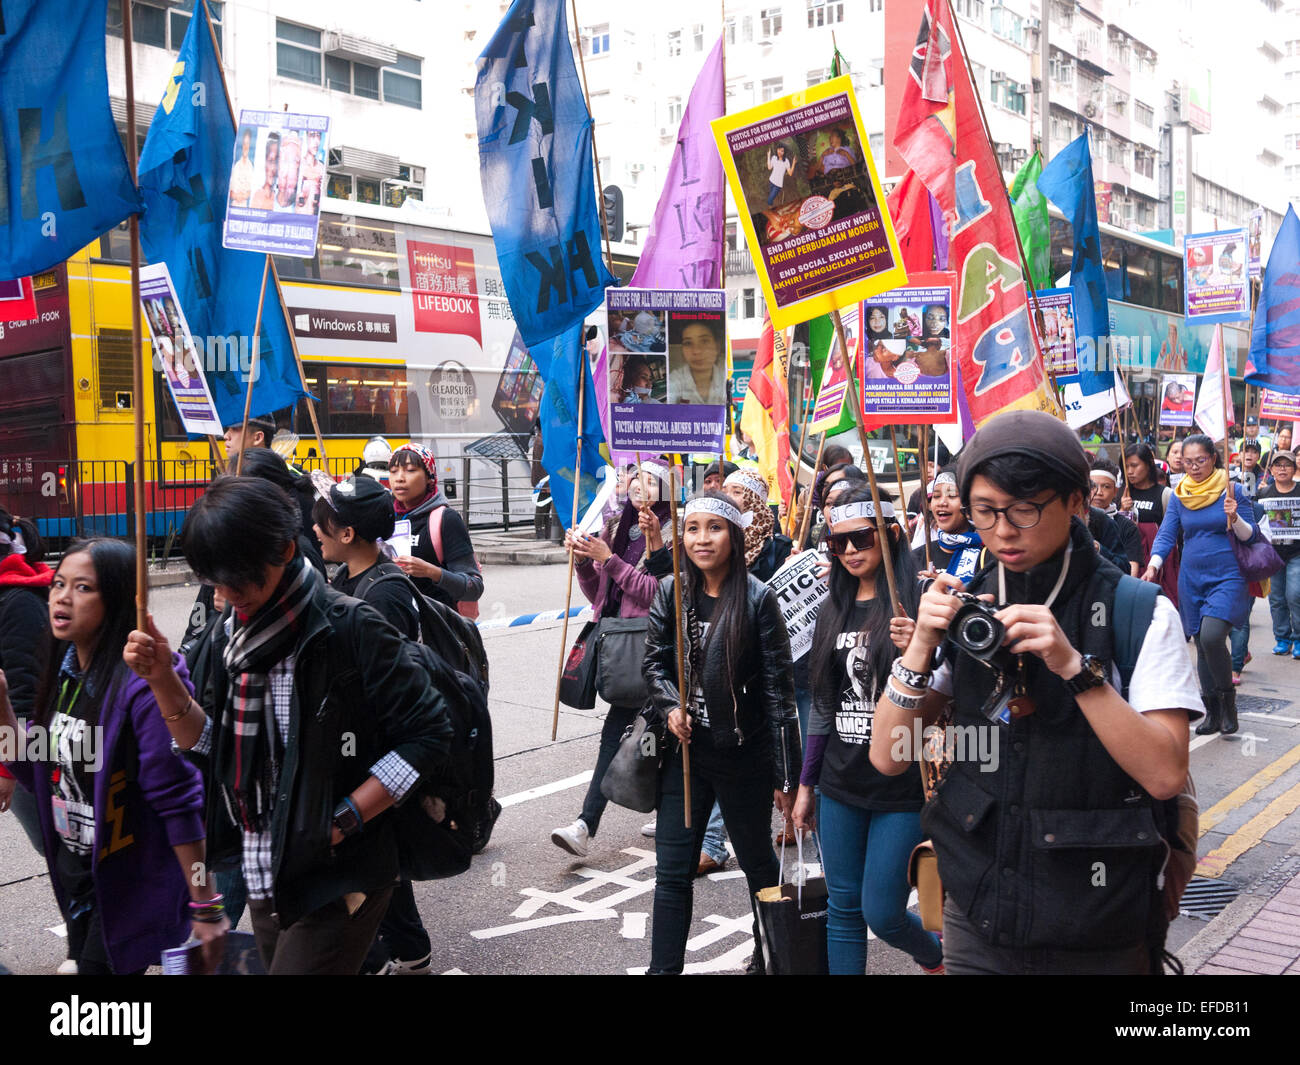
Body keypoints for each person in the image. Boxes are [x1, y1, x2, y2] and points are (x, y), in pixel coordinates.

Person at [871, 410, 1201, 975]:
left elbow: (1165, 773)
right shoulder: (971, 608)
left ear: (1077, 501)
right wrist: (922, 646)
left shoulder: (1139, 612)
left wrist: (1074, 667)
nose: (1002, 530)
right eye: (985, 511)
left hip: (1100, 920)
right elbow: (887, 754)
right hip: (979, 911)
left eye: (1025, 509)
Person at [123, 476, 453, 974]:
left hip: (342, 872)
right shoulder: (226, 639)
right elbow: (210, 747)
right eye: (215, 579)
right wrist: (163, 679)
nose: (229, 593)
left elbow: (429, 732)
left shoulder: (350, 627)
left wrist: (342, 821)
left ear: (281, 549)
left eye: (240, 576)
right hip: (264, 869)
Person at [2, 539, 224, 975]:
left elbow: (180, 803)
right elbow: (31, 766)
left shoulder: (141, 688)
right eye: (59, 583)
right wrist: (3, 706)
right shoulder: (65, 675)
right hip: (81, 886)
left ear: (121, 598)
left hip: (129, 888)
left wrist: (206, 903)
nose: (62, 597)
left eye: (83, 587)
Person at [643, 491, 802, 974]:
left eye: (714, 528)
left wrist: (785, 777)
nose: (701, 539)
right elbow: (653, 664)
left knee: (758, 870)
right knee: (672, 874)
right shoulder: (671, 591)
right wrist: (671, 705)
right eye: (692, 528)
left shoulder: (758, 598)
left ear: (733, 536)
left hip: (743, 756)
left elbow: (779, 692)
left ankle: (766, 958)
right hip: (685, 756)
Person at [793, 486, 944, 975]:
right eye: (839, 544)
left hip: (902, 786)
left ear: (891, 535)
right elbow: (822, 706)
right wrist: (806, 786)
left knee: (883, 913)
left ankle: (936, 955)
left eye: (862, 538)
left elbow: (950, 693)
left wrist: (920, 646)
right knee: (843, 910)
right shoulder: (831, 608)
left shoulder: (920, 598)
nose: (852, 551)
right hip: (840, 784)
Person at [312, 476, 436, 975]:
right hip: (353, 748)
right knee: (376, 858)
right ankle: (409, 946)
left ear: (347, 534)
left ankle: (379, 956)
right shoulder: (345, 580)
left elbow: (384, 686)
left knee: (363, 855)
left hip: (375, 753)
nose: (314, 531)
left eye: (324, 523)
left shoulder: (382, 594)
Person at [550, 461, 674, 858]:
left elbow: (657, 594)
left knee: (661, 736)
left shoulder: (673, 531)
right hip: (619, 649)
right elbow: (600, 595)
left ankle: (676, 810)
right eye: (637, 477)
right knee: (616, 735)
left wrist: (610, 560)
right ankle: (585, 824)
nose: (642, 485)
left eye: (653, 480)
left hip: (657, 649)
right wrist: (586, 562)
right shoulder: (616, 526)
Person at [1144, 434, 1257, 736]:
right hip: (1192, 578)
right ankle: (1213, 712)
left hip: (1229, 575)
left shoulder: (1232, 491)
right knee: (1202, 646)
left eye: (1201, 461)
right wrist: (1153, 565)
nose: (1194, 467)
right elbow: (1167, 534)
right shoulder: (1180, 494)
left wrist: (1236, 517)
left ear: (1214, 459)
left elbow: (1250, 536)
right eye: (1188, 461)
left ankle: (1228, 703)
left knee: (1211, 636)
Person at [0, 510, 53, 852]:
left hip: (20, 751)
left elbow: (26, 694)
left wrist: (8, 772)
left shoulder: (17, 602)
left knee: (64, 856)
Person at [388, 442, 484, 612]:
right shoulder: (386, 516)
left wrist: (431, 571)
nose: (399, 478)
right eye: (393, 471)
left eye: (410, 470)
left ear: (429, 477)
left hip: (438, 628)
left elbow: (473, 587)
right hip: (397, 625)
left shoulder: (446, 519)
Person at [1122, 442, 1178, 605]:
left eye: (1134, 465)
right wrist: (1121, 509)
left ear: (1148, 465)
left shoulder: (1165, 495)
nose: (1130, 471)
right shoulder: (1122, 492)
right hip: (1130, 561)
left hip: (1158, 565)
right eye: (1126, 467)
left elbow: (1171, 533)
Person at [1259, 450, 1300, 659]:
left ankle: (1298, 638)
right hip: (1273, 555)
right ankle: (1282, 639)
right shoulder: (1263, 494)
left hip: (1297, 553)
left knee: (1295, 595)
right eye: (1278, 465)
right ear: (1272, 469)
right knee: (1276, 598)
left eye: (1287, 465)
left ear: (1294, 469)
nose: (1282, 468)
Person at [912, 468, 984, 579]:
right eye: (936, 496)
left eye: (952, 495)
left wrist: (945, 590)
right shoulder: (917, 557)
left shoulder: (987, 556)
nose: (942, 503)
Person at [1089, 458, 1143, 577]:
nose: (1099, 492)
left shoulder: (1127, 526)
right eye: (1093, 486)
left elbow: (1130, 571)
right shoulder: (1074, 520)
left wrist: (1099, 549)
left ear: (1115, 491)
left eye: (1106, 486)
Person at [668, 320, 727, 405]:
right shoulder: (674, 380)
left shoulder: (725, 378)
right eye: (688, 343)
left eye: (704, 341)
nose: (696, 351)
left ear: (717, 347)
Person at [229, 128, 255, 206]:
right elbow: (230, 192)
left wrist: (243, 196)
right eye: (244, 143)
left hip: (245, 208)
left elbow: (251, 191)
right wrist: (236, 196)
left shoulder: (251, 167)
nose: (245, 147)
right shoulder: (236, 166)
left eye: (248, 144)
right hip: (233, 206)